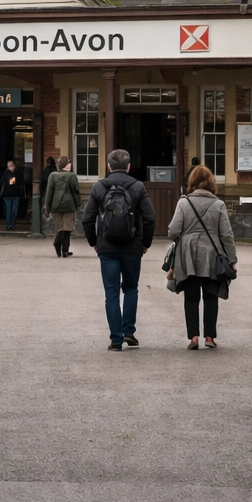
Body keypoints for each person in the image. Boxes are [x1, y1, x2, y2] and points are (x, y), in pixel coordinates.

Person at [80, 149, 156, 351]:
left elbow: (87, 219)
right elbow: (150, 218)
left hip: (107, 247)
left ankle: (116, 339)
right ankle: (129, 330)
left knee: (111, 294)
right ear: (129, 166)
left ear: (109, 166)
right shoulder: (138, 187)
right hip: (132, 247)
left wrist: (94, 242)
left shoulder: (99, 187)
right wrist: (145, 243)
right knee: (131, 289)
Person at [164, 165, 238, 350]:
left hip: (188, 256)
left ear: (192, 183)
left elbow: (173, 232)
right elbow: (227, 236)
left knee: (191, 297)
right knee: (211, 297)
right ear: (211, 183)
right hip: (213, 256)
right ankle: (210, 338)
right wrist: (232, 260)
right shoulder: (219, 205)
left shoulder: (184, 203)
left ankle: (194, 338)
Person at [42, 156, 81, 258]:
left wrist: (47, 205)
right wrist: (78, 203)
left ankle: (61, 249)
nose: (70, 164)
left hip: (55, 205)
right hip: (69, 205)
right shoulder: (72, 176)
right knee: (67, 228)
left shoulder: (52, 175)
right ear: (66, 165)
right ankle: (63, 249)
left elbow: (49, 191)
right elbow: (76, 191)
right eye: (69, 162)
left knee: (60, 228)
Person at [0, 159, 24, 230]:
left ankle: (12, 224)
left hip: (16, 195)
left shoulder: (18, 173)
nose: (10, 167)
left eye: (11, 165)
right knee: (8, 210)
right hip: (7, 195)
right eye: (9, 166)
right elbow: (1, 183)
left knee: (14, 211)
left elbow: (21, 182)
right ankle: (9, 224)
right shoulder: (5, 173)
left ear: (14, 166)